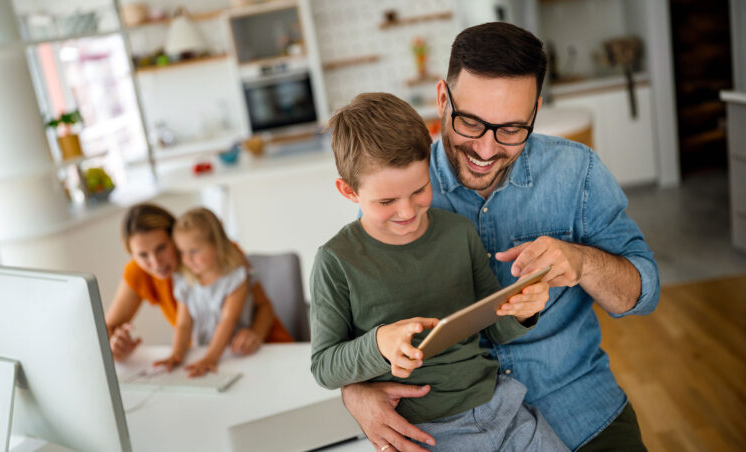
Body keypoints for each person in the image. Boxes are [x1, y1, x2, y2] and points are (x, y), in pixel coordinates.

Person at [339, 23, 659, 452]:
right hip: (456, 430)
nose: (487, 151)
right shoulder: (400, 191)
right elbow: (346, 330)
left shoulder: (576, 173)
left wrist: (583, 262)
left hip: (580, 408)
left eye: (511, 129)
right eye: (470, 122)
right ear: (441, 100)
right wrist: (353, 392)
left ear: (535, 113)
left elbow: (642, 292)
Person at [310, 93, 567, 451]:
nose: (407, 212)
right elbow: (324, 366)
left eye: (419, 190)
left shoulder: (458, 232)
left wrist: (523, 311)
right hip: (425, 432)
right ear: (348, 191)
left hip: (500, 407)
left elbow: (494, 327)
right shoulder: (335, 261)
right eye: (386, 202)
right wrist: (380, 343)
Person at [105, 203, 292, 363]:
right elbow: (106, 328)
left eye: (161, 248)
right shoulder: (139, 272)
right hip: (218, 358)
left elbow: (264, 305)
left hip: (265, 348)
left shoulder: (220, 254)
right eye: (142, 255)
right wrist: (116, 344)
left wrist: (255, 334)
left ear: (175, 238)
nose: (155, 263)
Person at [153, 207, 267, 376]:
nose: (187, 259)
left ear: (216, 244)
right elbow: (183, 324)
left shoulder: (236, 278)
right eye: (182, 252)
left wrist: (211, 358)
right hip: (202, 353)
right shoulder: (185, 279)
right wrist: (176, 354)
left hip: (235, 354)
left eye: (194, 251)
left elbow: (228, 320)